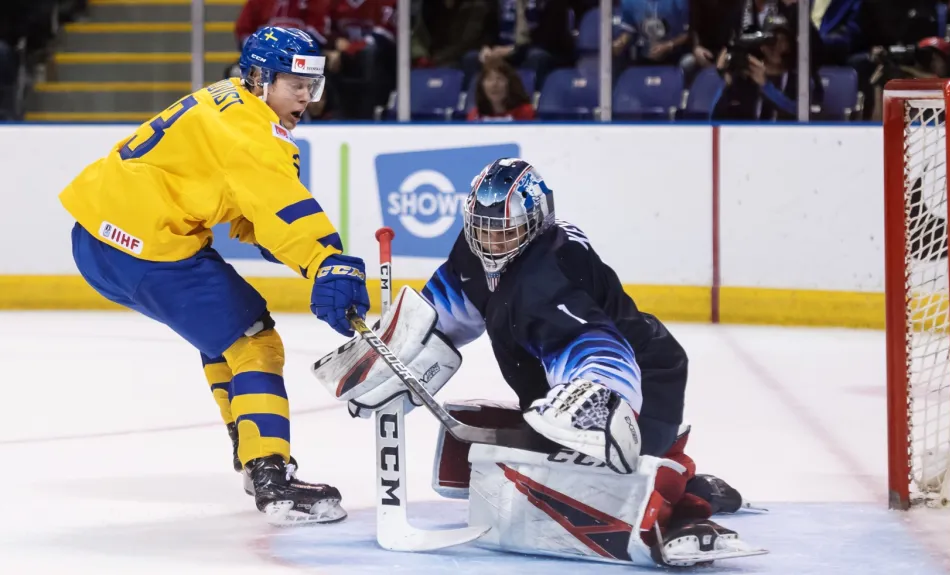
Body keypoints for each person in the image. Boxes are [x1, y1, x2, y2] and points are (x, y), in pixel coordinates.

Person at [330, 157, 762, 566]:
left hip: (647, 373)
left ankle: (691, 495)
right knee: (555, 449)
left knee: (623, 477)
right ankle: (670, 470)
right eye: (483, 231)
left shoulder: (546, 275)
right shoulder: (474, 249)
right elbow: (444, 311)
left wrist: (598, 398)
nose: (492, 243)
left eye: (506, 232)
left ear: (535, 225)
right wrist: (394, 353)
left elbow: (597, 348)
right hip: (553, 381)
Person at [57, 26, 370, 526]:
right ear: (261, 79)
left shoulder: (223, 97)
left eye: (313, 85)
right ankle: (272, 478)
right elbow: (284, 208)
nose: (307, 98)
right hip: (148, 249)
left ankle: (251, 453)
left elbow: (247, 206)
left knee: (224, 335)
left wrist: (285, 247)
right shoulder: (254, 136)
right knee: (254, 341)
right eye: (296, 85)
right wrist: (325, 260)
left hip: (95, 238)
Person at [466, 59, 535, 121]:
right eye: (489, 79)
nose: (494, 84)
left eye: (500, 79)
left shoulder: (524, 112)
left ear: (510, 84)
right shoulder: (474, 115)